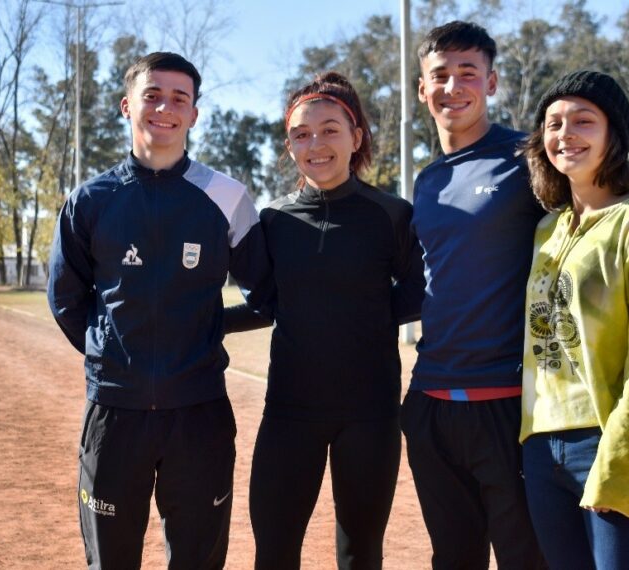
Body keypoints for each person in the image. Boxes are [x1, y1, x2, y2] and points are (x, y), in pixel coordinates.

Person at [399, 21, 629, 569]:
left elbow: (609, 207)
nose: (453, 87)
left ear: (491, 82)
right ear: (421, 90)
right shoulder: (427, 182)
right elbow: (431, 281)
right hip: (436, 403)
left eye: (467, 73)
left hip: (508, 408)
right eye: (439, 76)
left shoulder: (532, 159)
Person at [47, 51, 270, 570]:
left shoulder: (227, 197)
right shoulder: (91, 200)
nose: (164, 108)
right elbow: (66, 299)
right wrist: (115, 353)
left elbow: (266, 296)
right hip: (114, 416)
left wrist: (207, 329)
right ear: (127, 106)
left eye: (179, 98)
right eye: (153, 95)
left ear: (194, 114)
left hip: (199, 413)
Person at [224, 72, 426, 570]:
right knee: (273, 551)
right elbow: (266, 304)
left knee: (360, 554)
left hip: (370, 414)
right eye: (301, 134)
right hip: (290, 411)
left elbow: (422, 291)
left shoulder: (391, 215)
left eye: (330, 129)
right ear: (289, 145)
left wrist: (372, 315)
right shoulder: (273, 221)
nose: (316, 143)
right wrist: (196, 321)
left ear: (355, 137)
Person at [517, 69, 629, 569]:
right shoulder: (546, 228)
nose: (565, 134)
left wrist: (623, 460)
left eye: (583, 121)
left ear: (615, 134)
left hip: (606, 441)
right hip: (540, 447)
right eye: (553, 123)